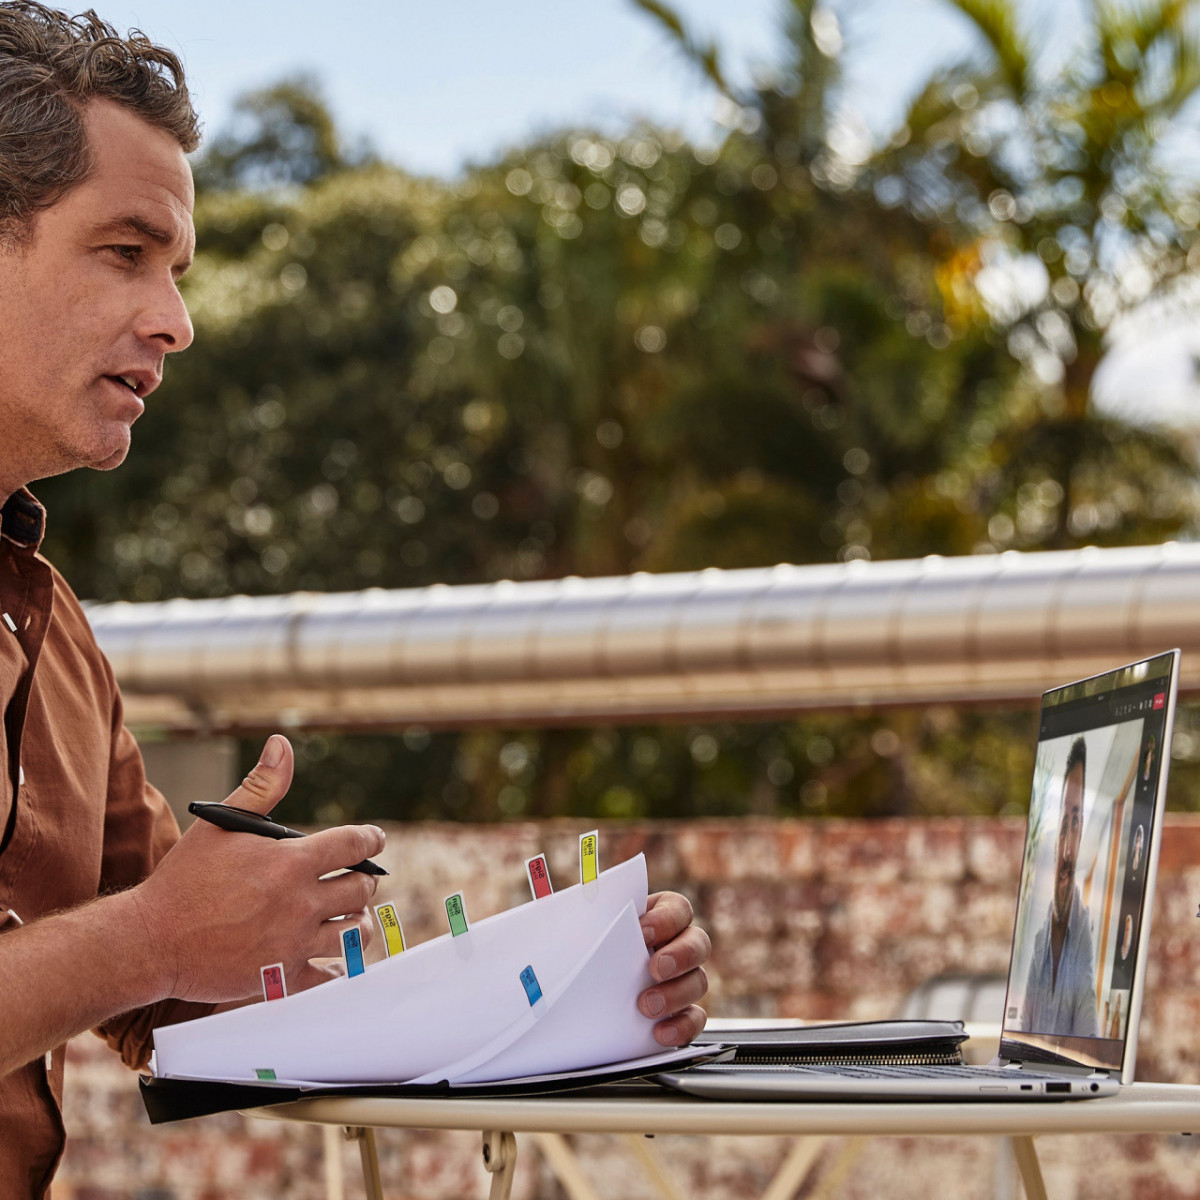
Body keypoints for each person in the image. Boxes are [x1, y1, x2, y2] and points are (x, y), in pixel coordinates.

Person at [0, 5, 710, 1194]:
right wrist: (150, 939)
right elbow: (145, 947)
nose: (176, 321)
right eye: (124, 251)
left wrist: (551, 998)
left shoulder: (53, 634)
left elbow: (182, 997)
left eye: (176, 272)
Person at [1019, 736, 1098, 1037]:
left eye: (1075, 823)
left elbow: (1089, 1043)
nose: (1065, 846)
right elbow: (1022, 1030)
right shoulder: (1037, 937)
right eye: (1062, 823)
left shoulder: (1087, 937)